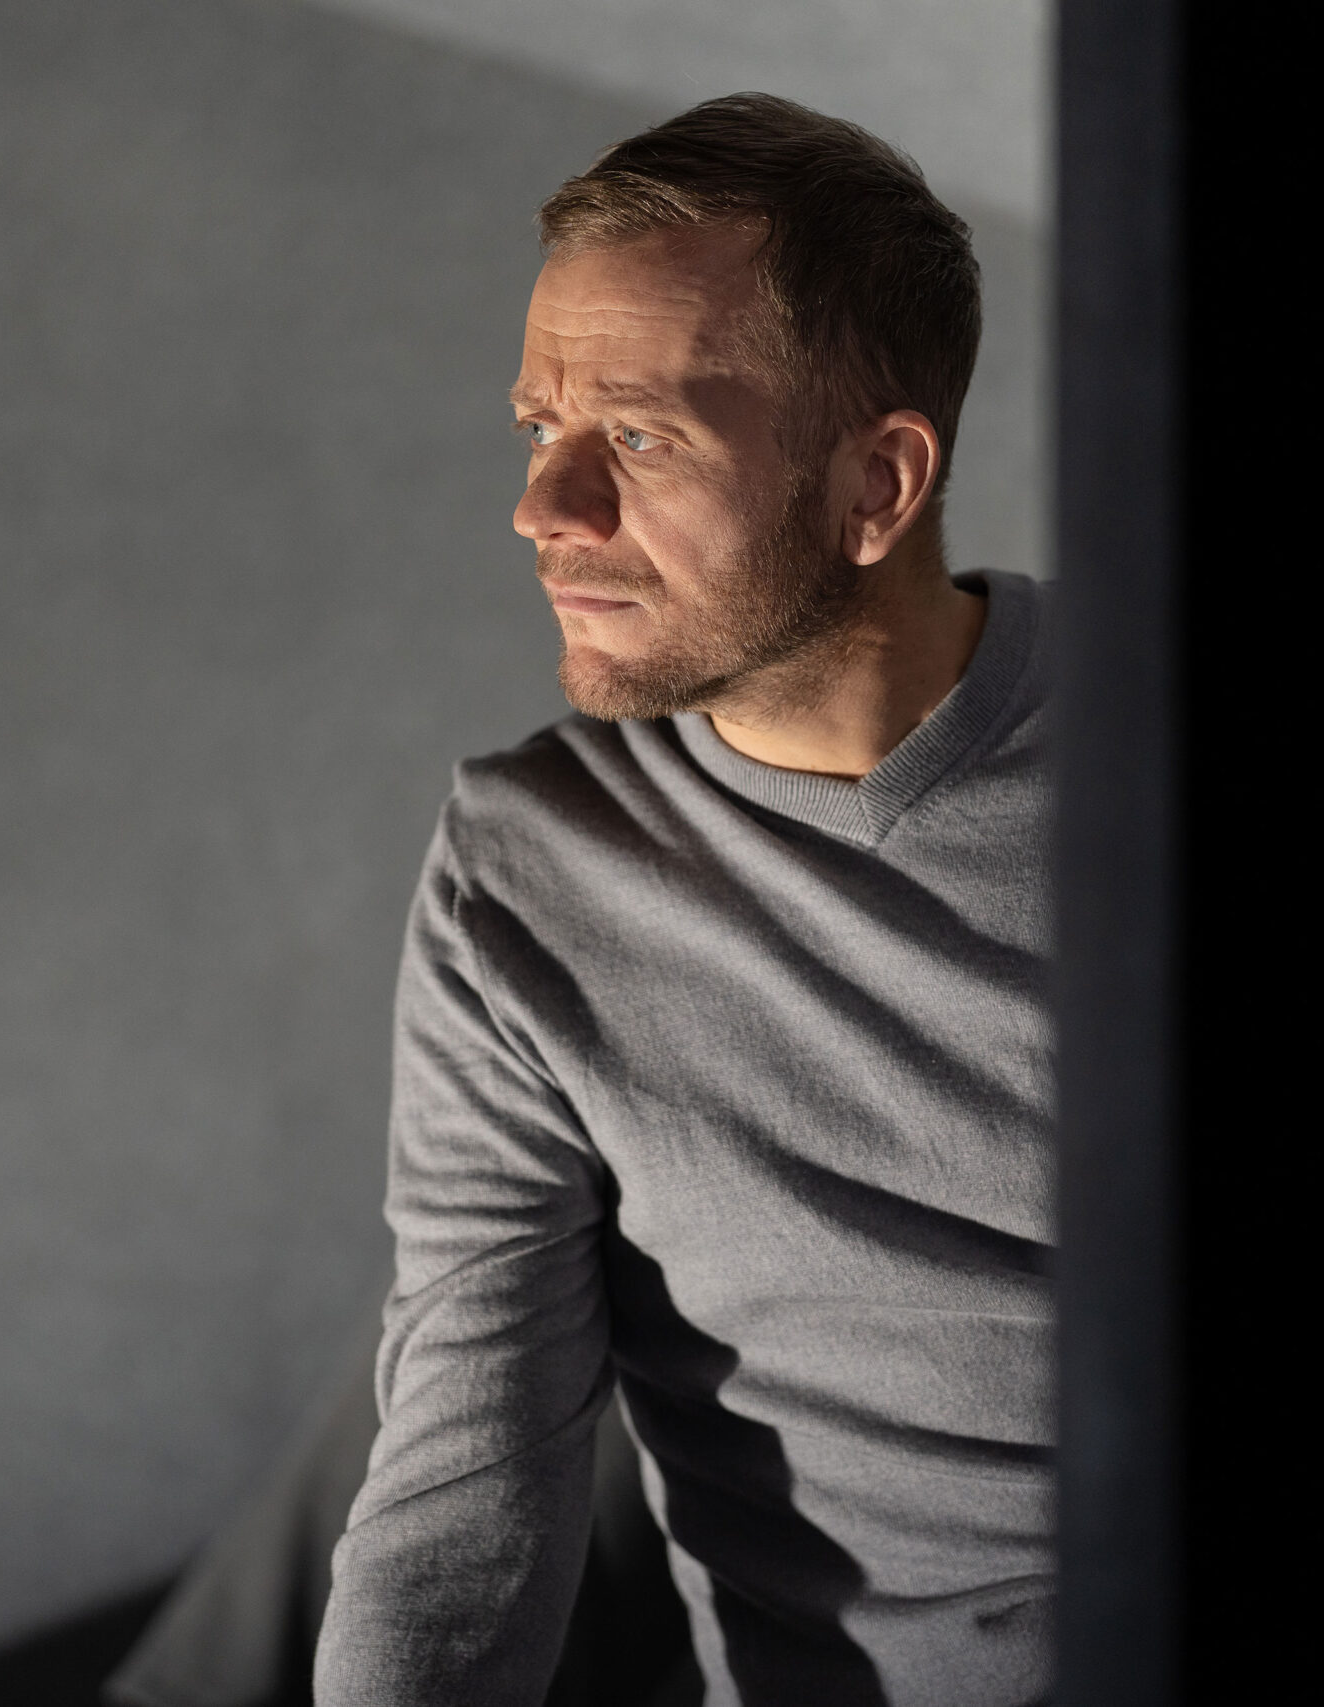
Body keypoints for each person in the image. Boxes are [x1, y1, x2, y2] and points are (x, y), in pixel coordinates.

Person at [316, 94, 1054, 1706]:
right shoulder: (524, 872)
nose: (545, 508)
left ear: (876, 485)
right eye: (538, 428)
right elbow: (458, 1501)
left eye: (640, 439)